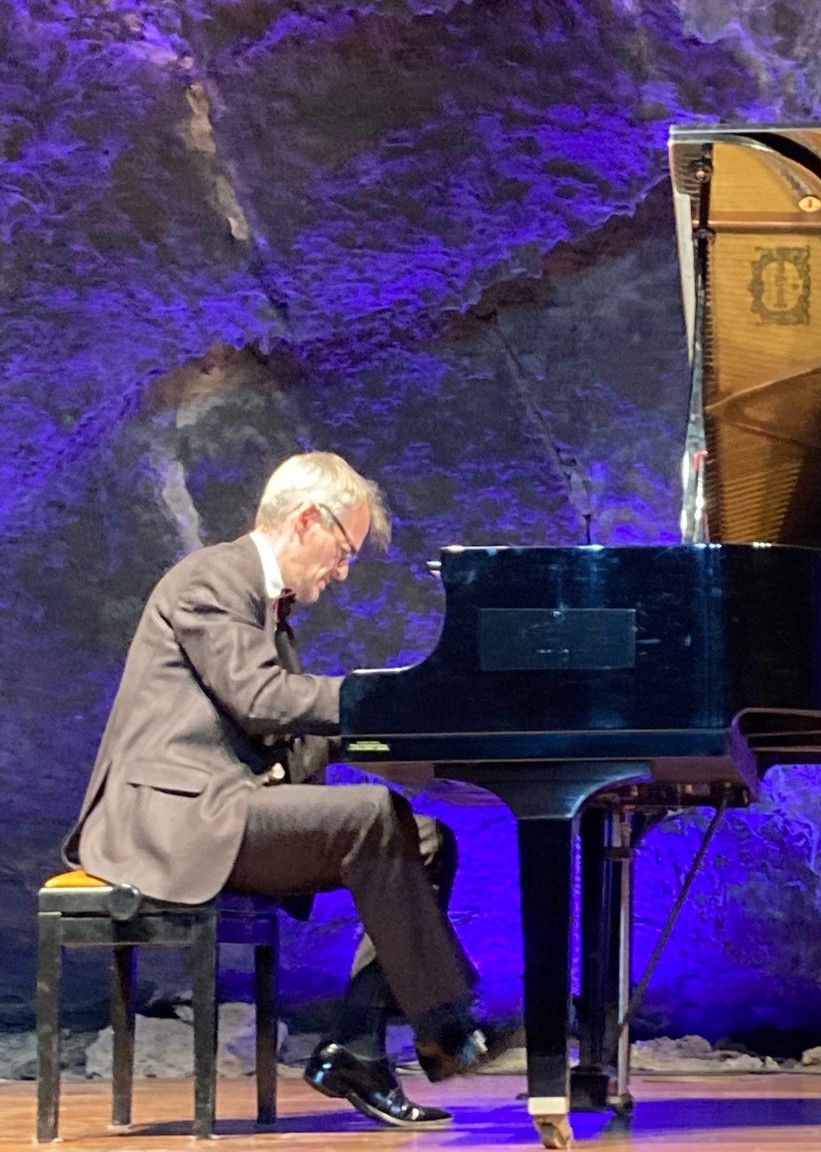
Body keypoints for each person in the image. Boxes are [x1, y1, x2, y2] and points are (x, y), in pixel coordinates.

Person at [64, 451, 501, 1130]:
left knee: (425, 839)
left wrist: (401, 737)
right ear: (305, 521)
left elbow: (285, 731)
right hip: (172, 819)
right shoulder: (211, 579)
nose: (344, 570)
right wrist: (380, 698)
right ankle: (447, 1022)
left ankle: (357, 1046)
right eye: (344, 549)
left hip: (221, 808)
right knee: (372, 815)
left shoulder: (266, 609)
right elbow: (262, 700)